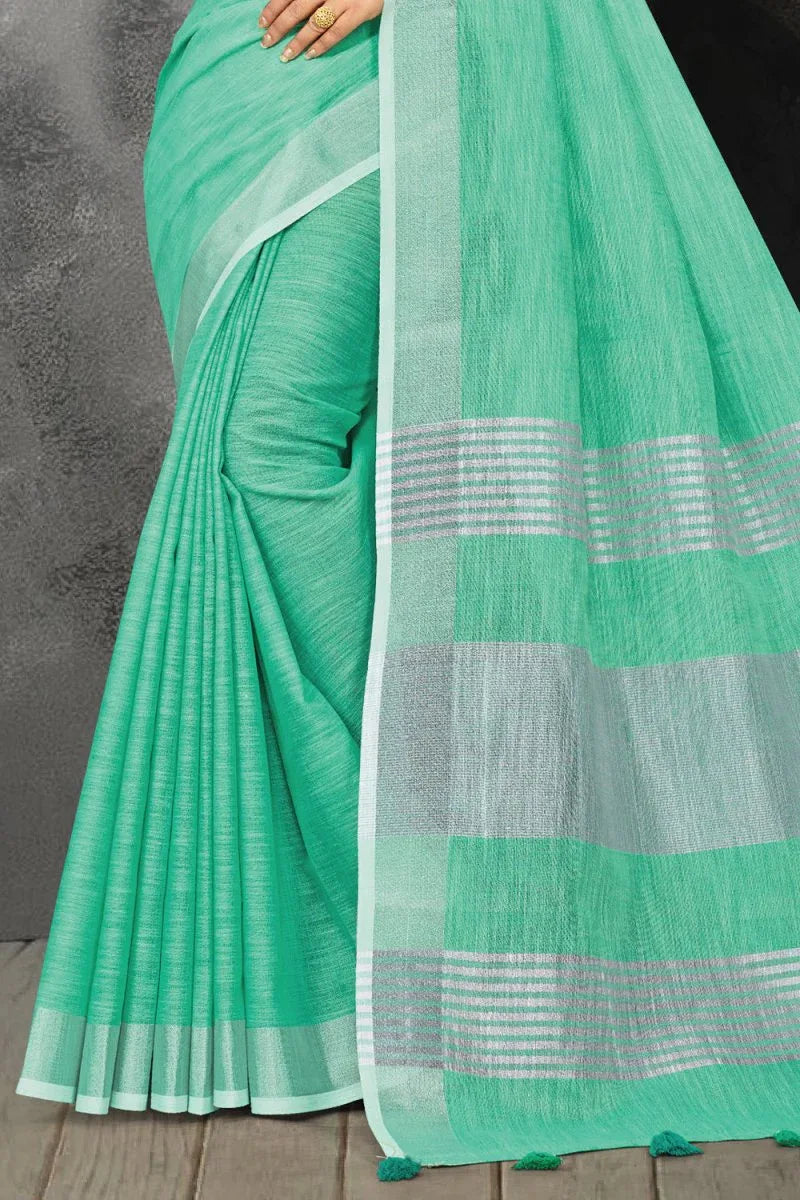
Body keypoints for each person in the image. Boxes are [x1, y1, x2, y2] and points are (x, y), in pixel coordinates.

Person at [17, 0, 800, 1175]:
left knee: (272, 453)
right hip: (234, 72)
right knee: (381, 473)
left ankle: (473, 920)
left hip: (400, 67)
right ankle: (377, 962)